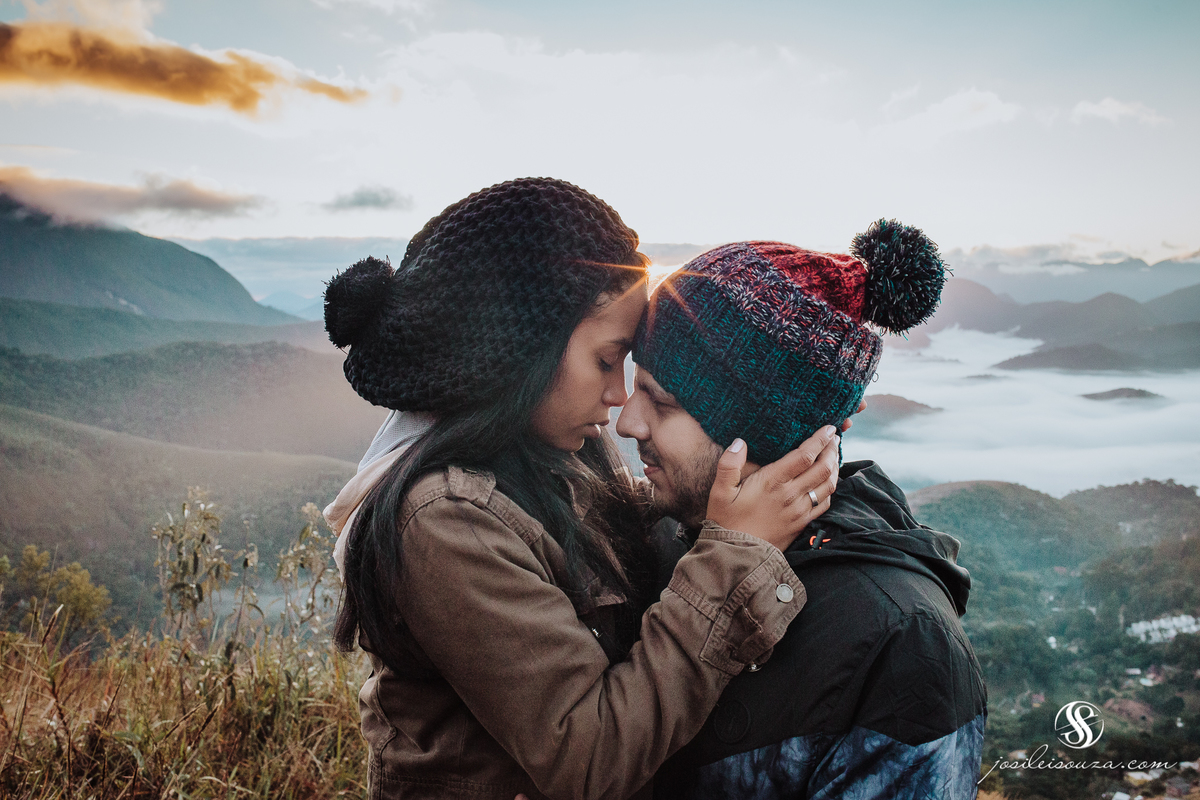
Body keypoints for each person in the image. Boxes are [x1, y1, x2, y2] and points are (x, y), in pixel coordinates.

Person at [321, 178, 841, 800]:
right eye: (606, 359)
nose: (620, 396)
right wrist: (736, 554)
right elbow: (586, 760)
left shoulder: (557, 446)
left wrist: (720, 493)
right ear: (522, 353)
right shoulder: (443, 520)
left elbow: (612, 533)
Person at [615, 226, 988, 799]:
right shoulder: (668, 534)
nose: (628, 423)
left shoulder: (902, 643)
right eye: (635, 387)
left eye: (661, 402)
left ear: (757, 433)